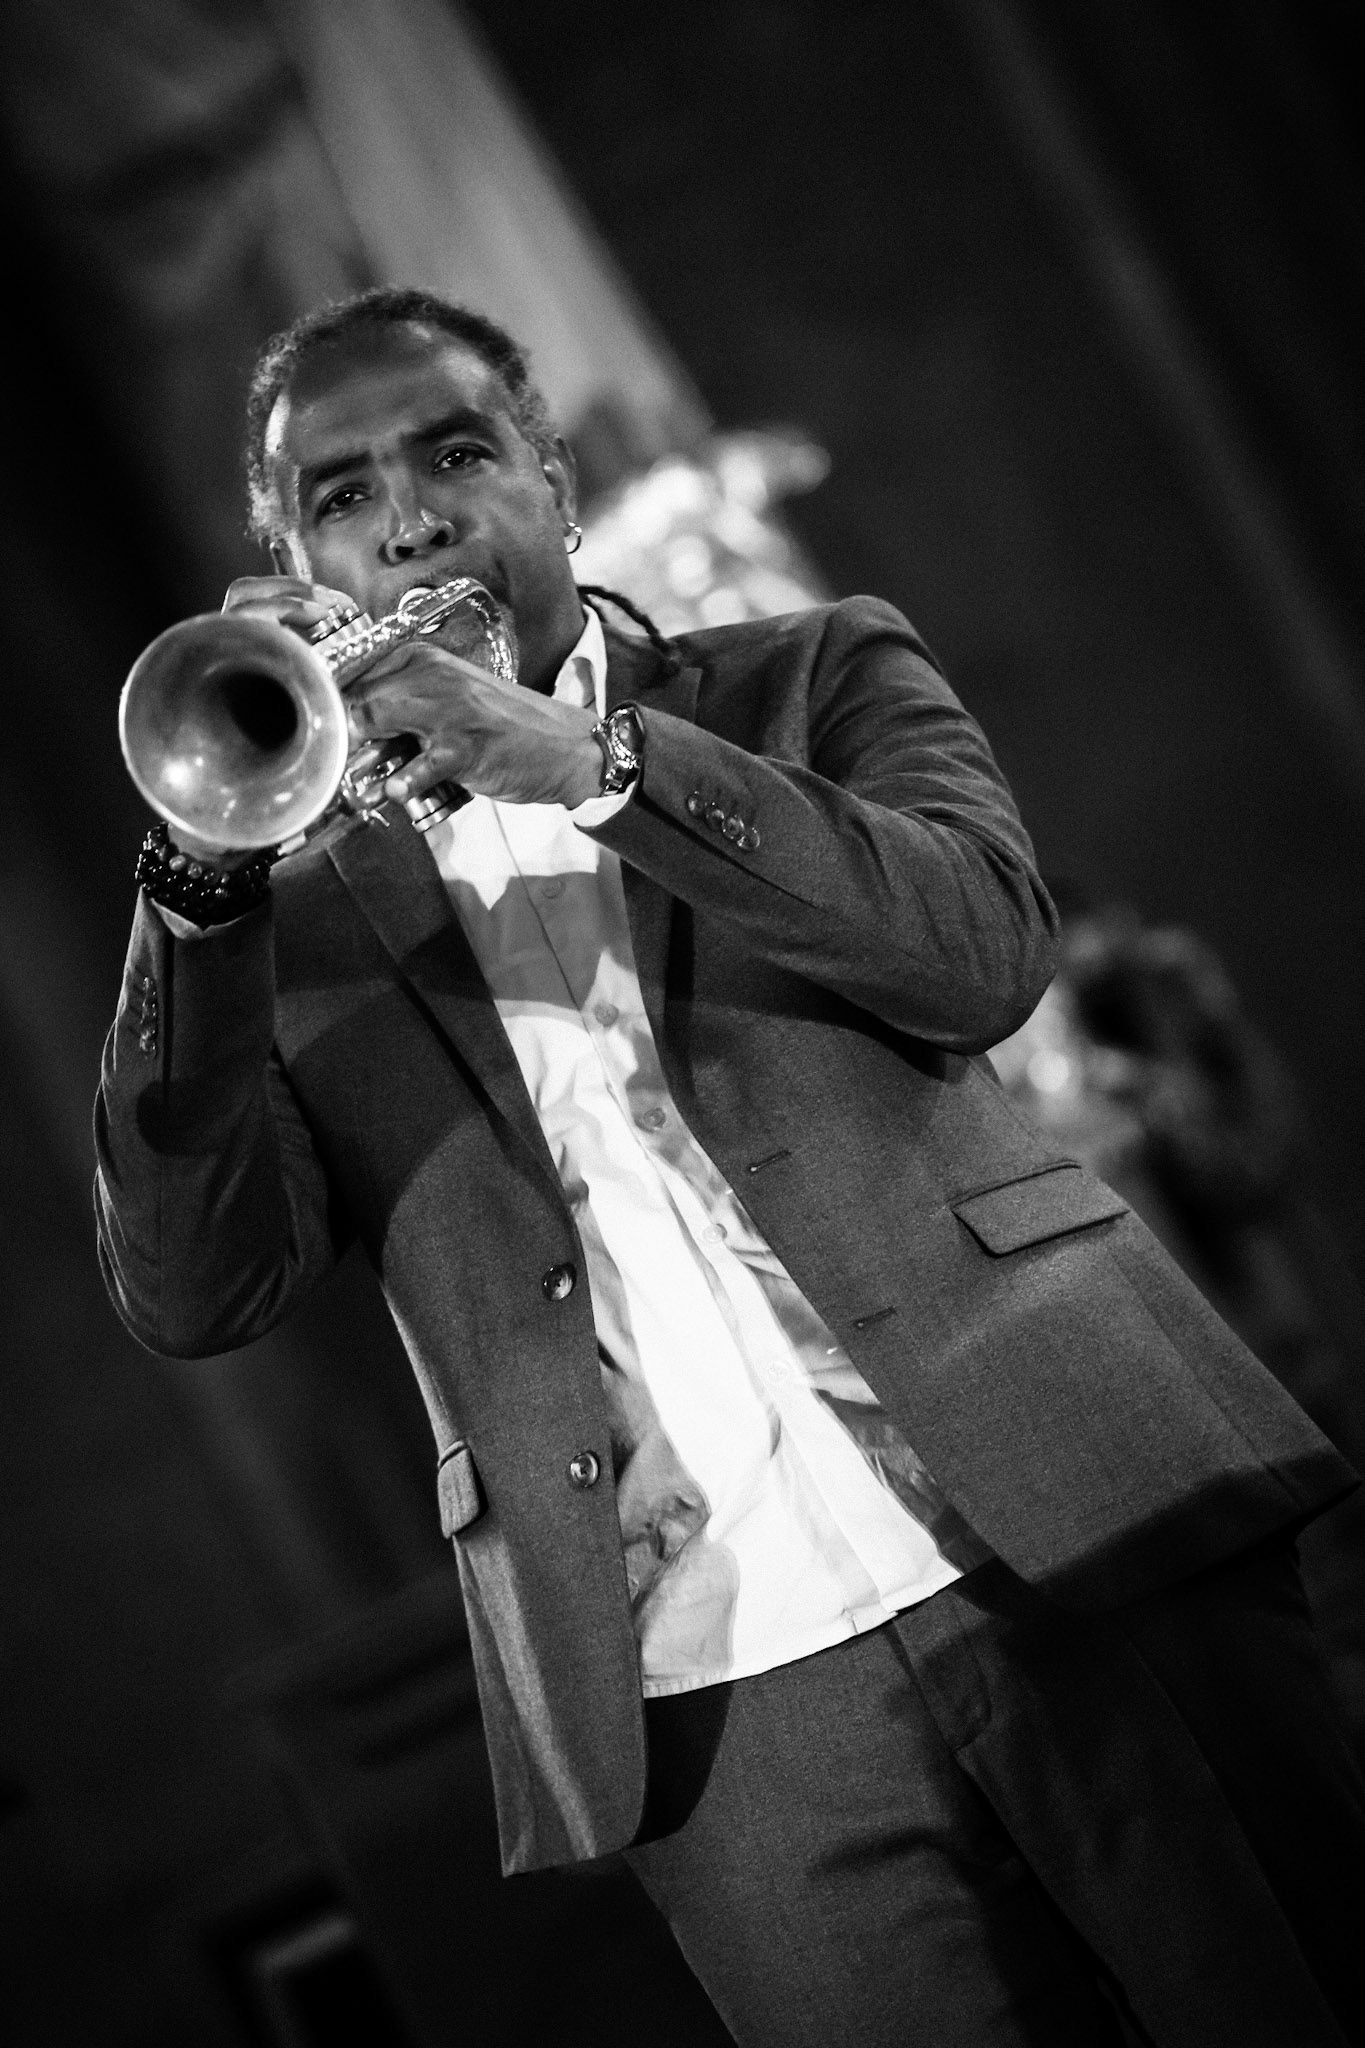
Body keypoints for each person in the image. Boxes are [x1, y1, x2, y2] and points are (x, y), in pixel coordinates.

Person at [95, 287, 1365, 2048]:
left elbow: (980, 954)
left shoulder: (808, 673)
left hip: (1079, 1522)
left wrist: (600, 768)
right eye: (342, 494)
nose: (411, 515)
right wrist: (203, 887)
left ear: (548, 479)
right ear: (297, 559)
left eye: (458, 452)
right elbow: (191, 1283)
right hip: (713, 1707)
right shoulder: (286, 926)